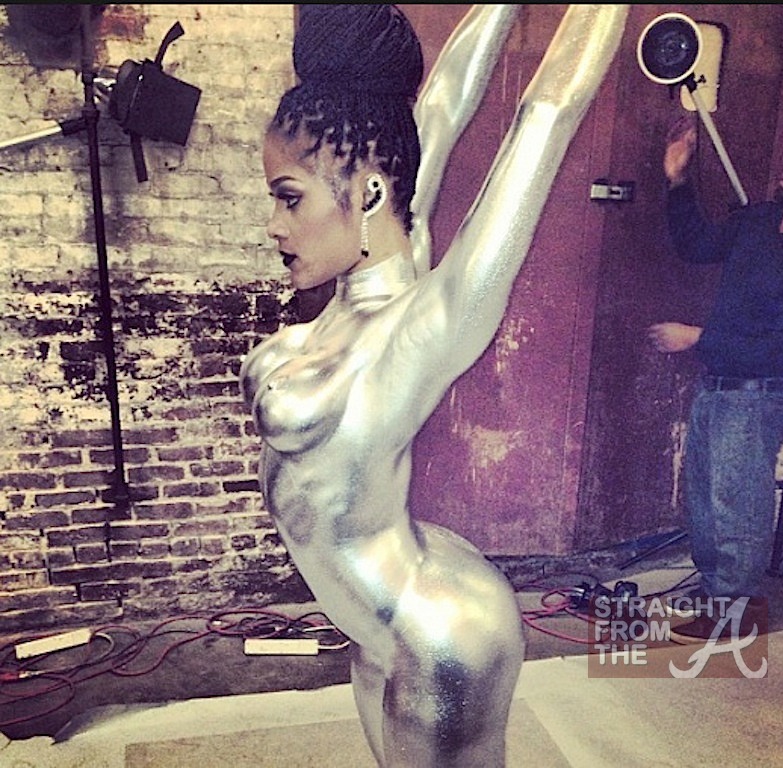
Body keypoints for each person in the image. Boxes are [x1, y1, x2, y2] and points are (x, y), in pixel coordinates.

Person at [240, 5, 627, 765]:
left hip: (438, 633)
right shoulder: (345, 309)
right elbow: (443, 105)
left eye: (289, 197)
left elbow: (546, 113)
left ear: (369, 197)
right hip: (374, 625)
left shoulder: (423, 324)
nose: (275, 225)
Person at [649, 117, 783, 643]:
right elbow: (696, 244)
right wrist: (677, 179)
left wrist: (697, 338)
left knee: (738, 502)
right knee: (707, 498)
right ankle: (716, 593)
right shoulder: (760, 220)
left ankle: (737, 610)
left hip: (760, 394)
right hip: (717, 384)